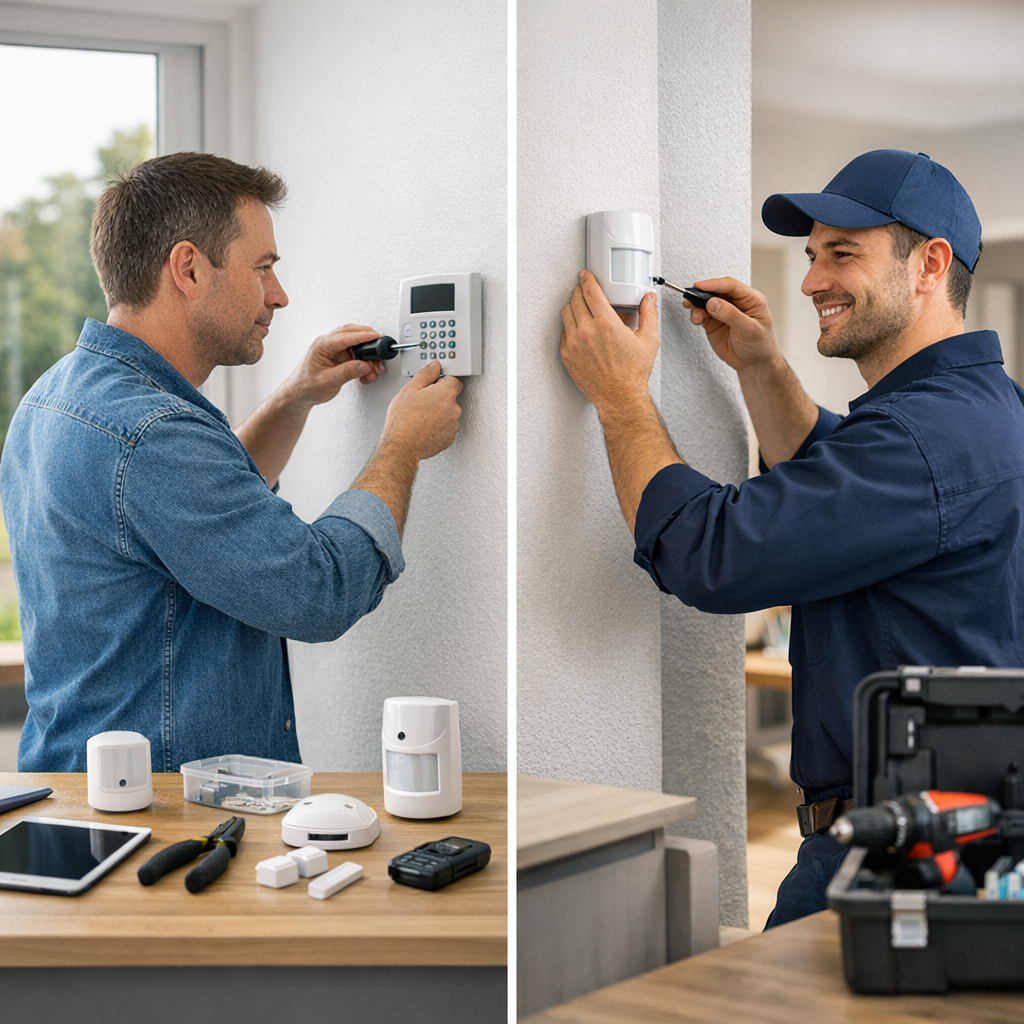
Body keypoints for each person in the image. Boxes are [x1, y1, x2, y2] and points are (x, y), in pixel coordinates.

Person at [559, 150, 1024, 926]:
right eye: (812, 255)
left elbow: (712, 554)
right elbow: (847, 487)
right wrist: (761, 365)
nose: (811, 281)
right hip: (950, 832)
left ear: (930, 265)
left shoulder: (919, 437)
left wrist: (619, 398)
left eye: (844, 253)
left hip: (897, 852)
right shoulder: (984, 408)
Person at [0, 152, 463, 773]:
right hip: (163, 824)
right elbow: (316, 590)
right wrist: (400, 447)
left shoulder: (58, 396)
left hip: (85, 796)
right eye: (263, 268)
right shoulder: (154, 435)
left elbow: (187, 514)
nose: (280, 295)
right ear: (188, 268)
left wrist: (295, 397)